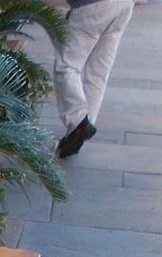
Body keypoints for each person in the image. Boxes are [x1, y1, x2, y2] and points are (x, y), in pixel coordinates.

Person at [52, 0, 135, 159]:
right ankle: (82, 127)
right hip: (123, 6)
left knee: (66, 66)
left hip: (92, 6)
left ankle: (79, 122)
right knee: (98, 72)